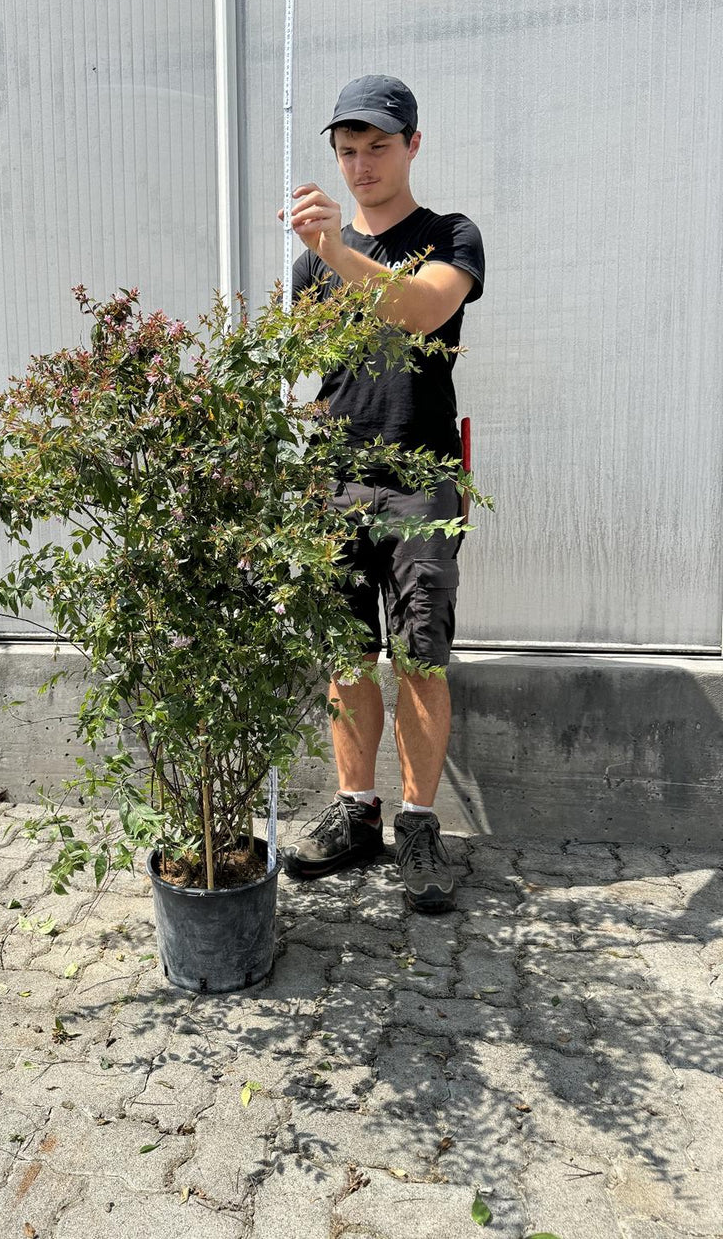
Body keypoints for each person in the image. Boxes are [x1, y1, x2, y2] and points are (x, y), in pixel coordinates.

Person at [279, 75, 485, 912]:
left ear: (412, 146)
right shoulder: (310, 265)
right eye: (347, 151)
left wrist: (336, 253)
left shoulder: (451, 237)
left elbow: (418, 311)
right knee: (343, 654)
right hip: (335, 482)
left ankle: (420, 824)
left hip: (423, 480)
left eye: (377, 147)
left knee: (421, 655)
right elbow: (313, 370)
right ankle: (357, 810)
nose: (360, 166)